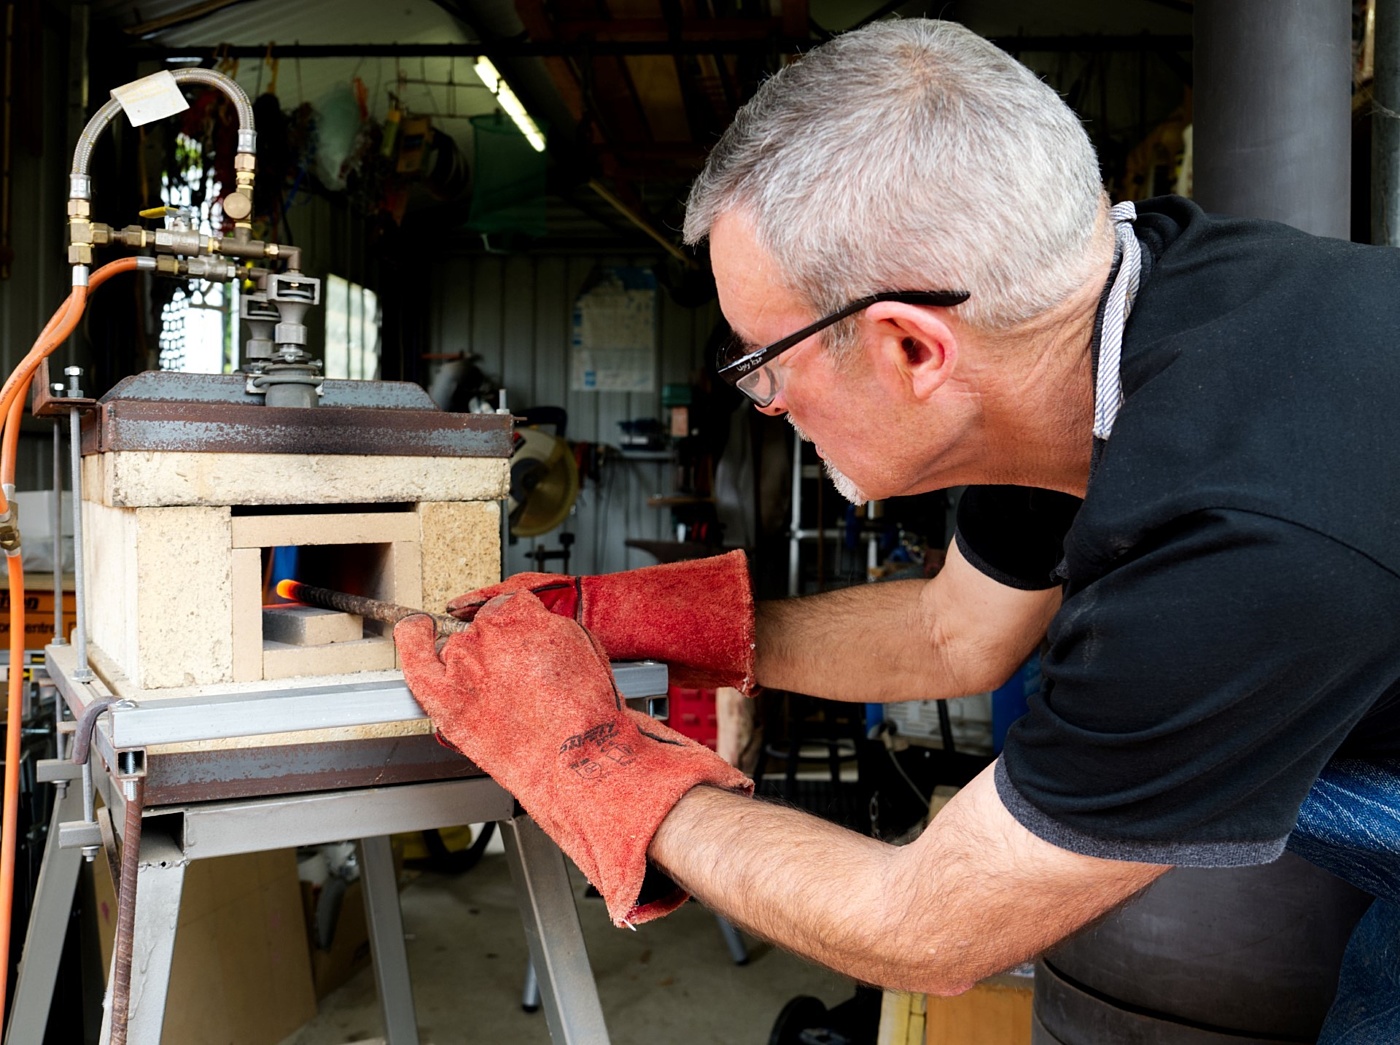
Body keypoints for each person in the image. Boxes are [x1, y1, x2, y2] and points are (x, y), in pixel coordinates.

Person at [395, 18, 1400, 1036]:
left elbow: (925, 925)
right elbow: (951, 632)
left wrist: (585, 755)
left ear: (910, 351)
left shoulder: (1238, 531)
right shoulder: (1103, 332)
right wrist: (623, 619)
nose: (770, 406)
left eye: (762, 365)